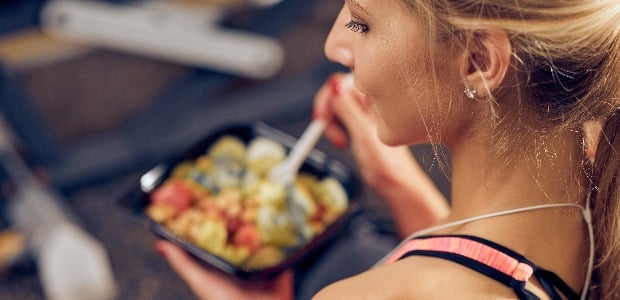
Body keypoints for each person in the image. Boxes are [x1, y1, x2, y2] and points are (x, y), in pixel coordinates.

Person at [154, 0, 620, 298]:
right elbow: (496, 266)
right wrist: (401, 189)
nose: (335, 43)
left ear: (478, 61)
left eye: (361, 21)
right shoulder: (597, 175)